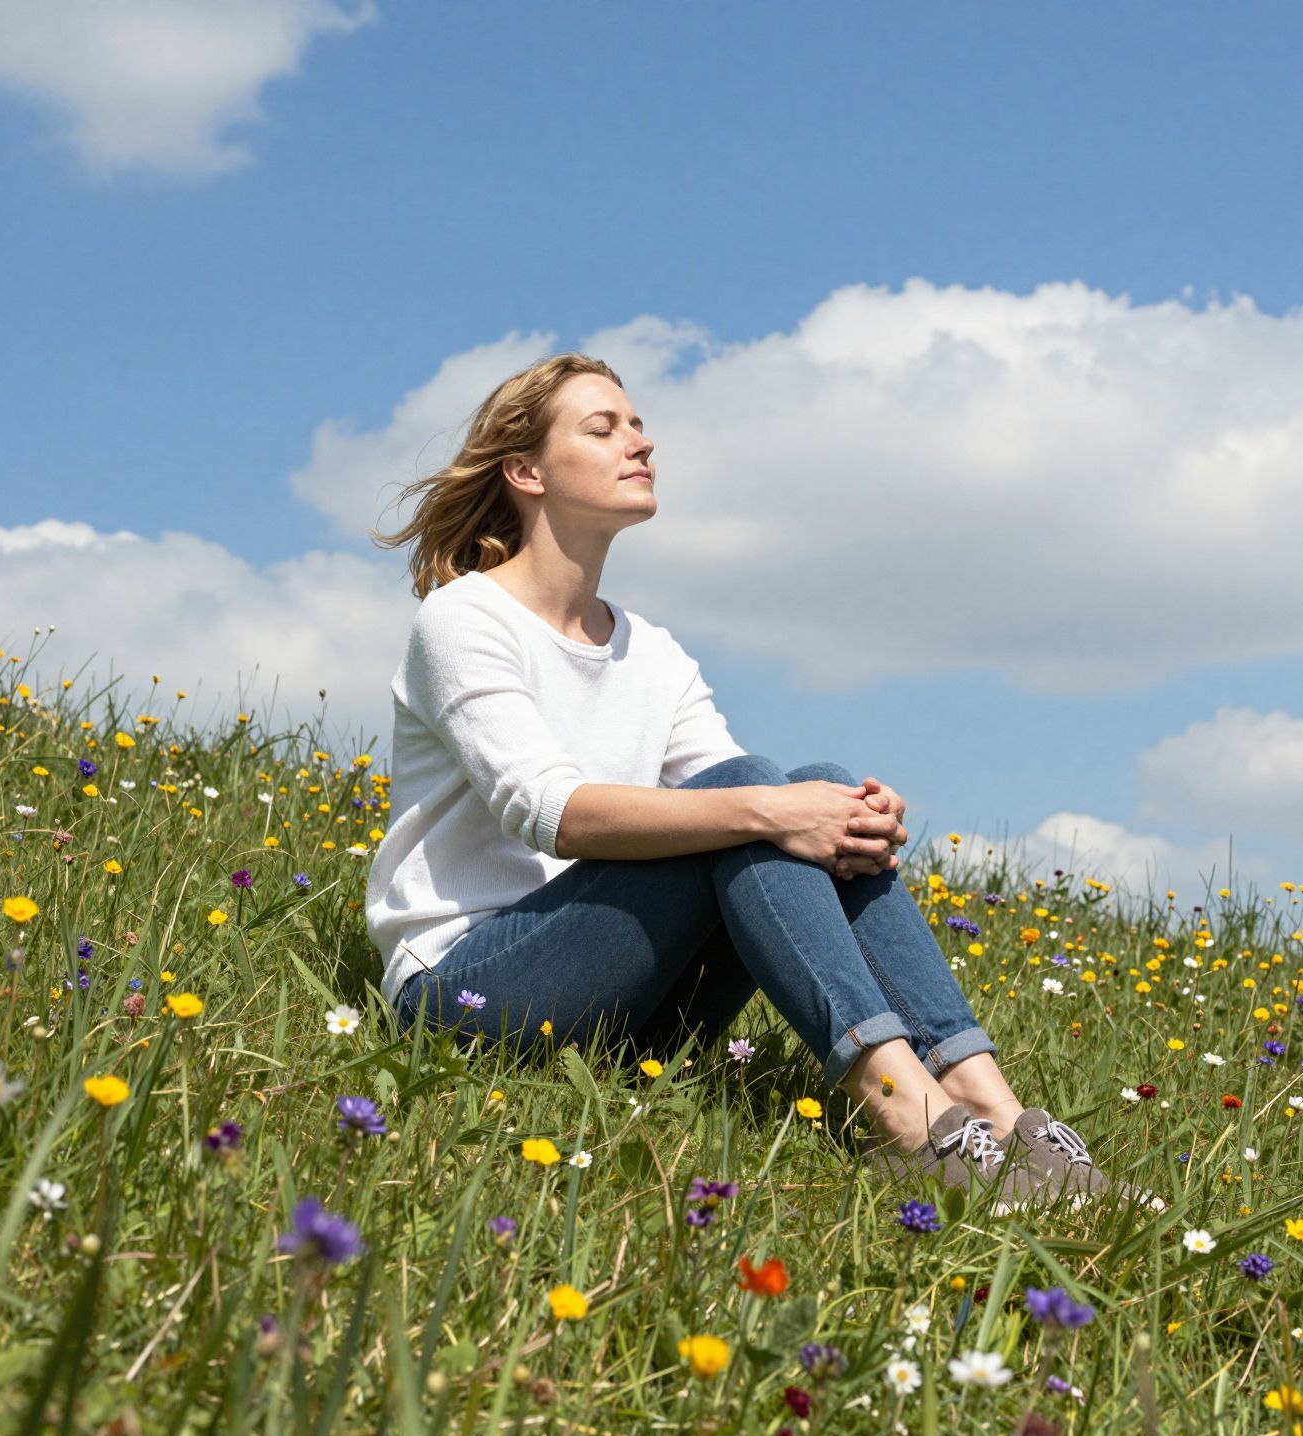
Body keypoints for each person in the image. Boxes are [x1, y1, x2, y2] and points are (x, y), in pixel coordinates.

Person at [363, 351, 1140, 1209]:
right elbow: (548, 811)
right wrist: (778, 809)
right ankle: (914, 1123)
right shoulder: (465, 618)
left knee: (810, 788)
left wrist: (842, 812)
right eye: (604, 428)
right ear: (525, 472)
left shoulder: (651, 652)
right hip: (472, 996)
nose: (641, 442)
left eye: (638, 424)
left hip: (632, 1022)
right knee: (763, 801)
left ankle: (996, 1113)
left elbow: (748, 800)